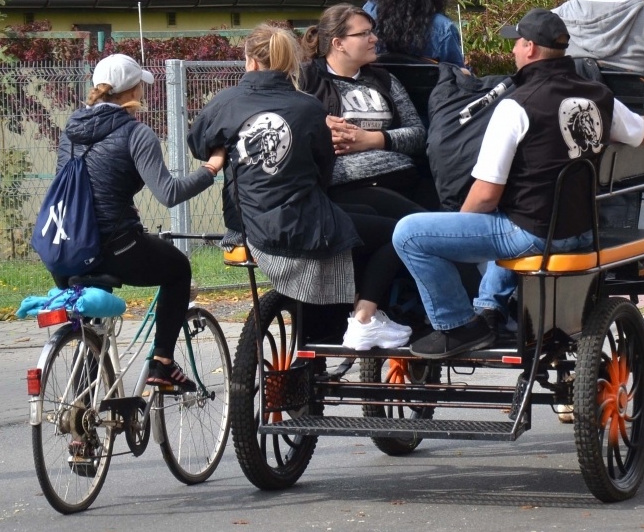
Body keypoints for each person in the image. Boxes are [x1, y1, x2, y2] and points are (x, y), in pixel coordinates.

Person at [392, 9, 644, 359]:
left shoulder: (515, 106)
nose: (512, 51)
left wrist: (461, 229)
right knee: (506, 221)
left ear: (530, 49)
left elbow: (486, 195)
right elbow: (642, 132)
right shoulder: (598, 95)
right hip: (583, 228)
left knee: (409, 234)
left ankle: (458, 326)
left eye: (516, 43)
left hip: (534, 232)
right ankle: (489, 306)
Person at [188, 24, 410, 350]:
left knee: (361, 215)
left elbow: (197, 144)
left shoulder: (224, 103)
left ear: (250, 60)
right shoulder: (309, 108)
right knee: (397, 233)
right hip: (300, 223)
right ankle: (366, 317)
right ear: (291, 62)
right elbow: (324, 170)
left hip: (247, 223)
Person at [55, 53, 225, 390]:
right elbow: (168, 193)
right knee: (177, 268)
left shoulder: (71, 131)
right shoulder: (136, 133)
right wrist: (212, 167)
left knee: (91, 317)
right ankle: (162, 361)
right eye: (141, 88)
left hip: (64, 249)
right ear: (132, 92)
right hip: (114, 247)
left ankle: (82, 421)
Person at [299, 4, 429, 212]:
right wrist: (319, 127)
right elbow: (285, 129)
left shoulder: (385, 80)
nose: (374, 39)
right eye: (364, 33)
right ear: (338, 43)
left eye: (372, 32)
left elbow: (418, 134)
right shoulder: (305, 81)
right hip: (346, 186)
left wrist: (371, 139)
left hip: (404, 177)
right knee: (419, 229)